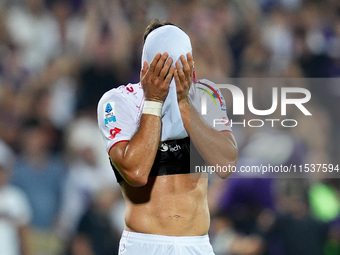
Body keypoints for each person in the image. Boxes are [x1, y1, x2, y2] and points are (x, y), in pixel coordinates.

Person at [97, 20, 238, 255]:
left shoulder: (207, 95)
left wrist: (184, 104)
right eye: (162, 66)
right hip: (144, 244)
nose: (171, 74)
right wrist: (154, 101)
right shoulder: (118, 102)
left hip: (197, 244)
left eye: (179, 65)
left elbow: (226, 164)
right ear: (145, 68)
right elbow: (136, 173)